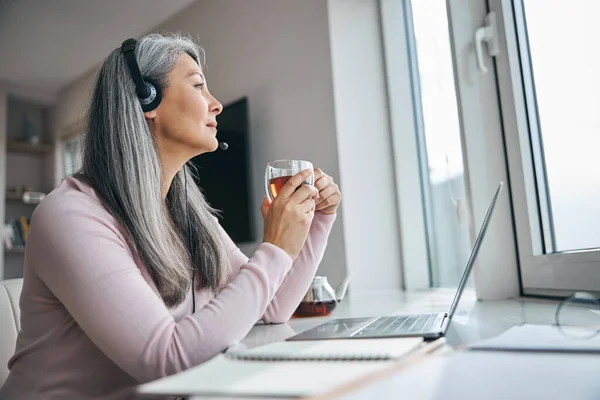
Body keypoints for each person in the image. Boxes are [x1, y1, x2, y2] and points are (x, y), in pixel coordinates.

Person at [0, 32, 341, 399]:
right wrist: (274, 250)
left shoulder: (187, 215)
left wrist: (316, 221)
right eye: (198, 86)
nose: (216, 105)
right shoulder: (70, 215)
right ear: (149, 100)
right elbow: (164, 358)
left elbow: (271, 308)